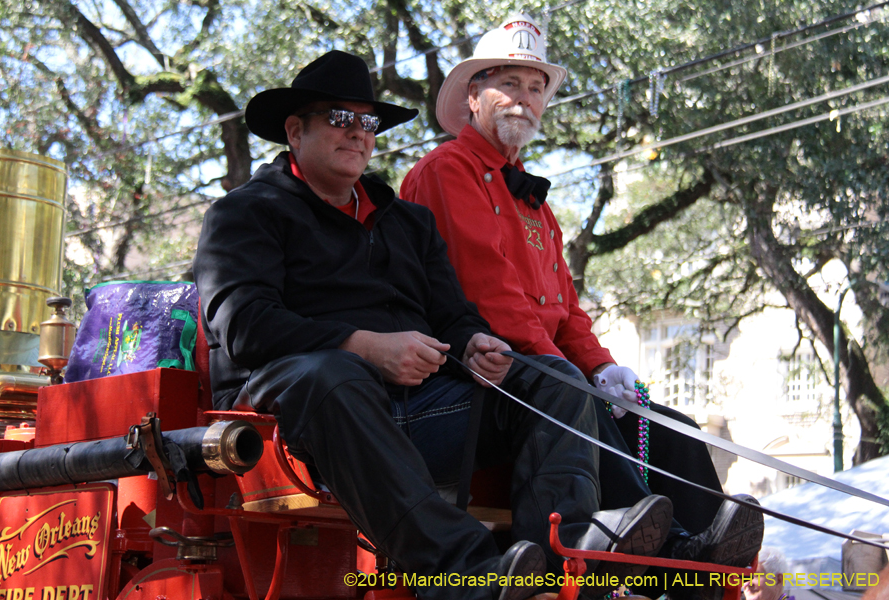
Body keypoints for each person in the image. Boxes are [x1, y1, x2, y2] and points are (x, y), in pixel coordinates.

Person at [194, 49, 681, 600]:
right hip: (299, 419)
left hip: (421, 407)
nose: (357, 132)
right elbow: (244, 325)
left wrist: (474, 346)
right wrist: (364, 346)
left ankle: (559, 568)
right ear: (294, 130)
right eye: (340, 117)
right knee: (333, 374)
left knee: (554, 379)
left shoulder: (408, 223)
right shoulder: (243, 212)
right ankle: (469, 577)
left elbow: (453, 316)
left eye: (368, 122)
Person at [401, 12, 735, 537]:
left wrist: (602, 368)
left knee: (675, 431)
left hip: (547, 370)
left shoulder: (538, 205)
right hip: (481, 371)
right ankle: (666, 546)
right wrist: (570, 374)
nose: (524, 98)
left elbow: (568, 312)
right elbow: (491, 298)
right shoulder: (447, 170)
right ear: (474, 95)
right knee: (575, 399)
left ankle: (713, 558)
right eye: (510, 83)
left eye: (536, 88)